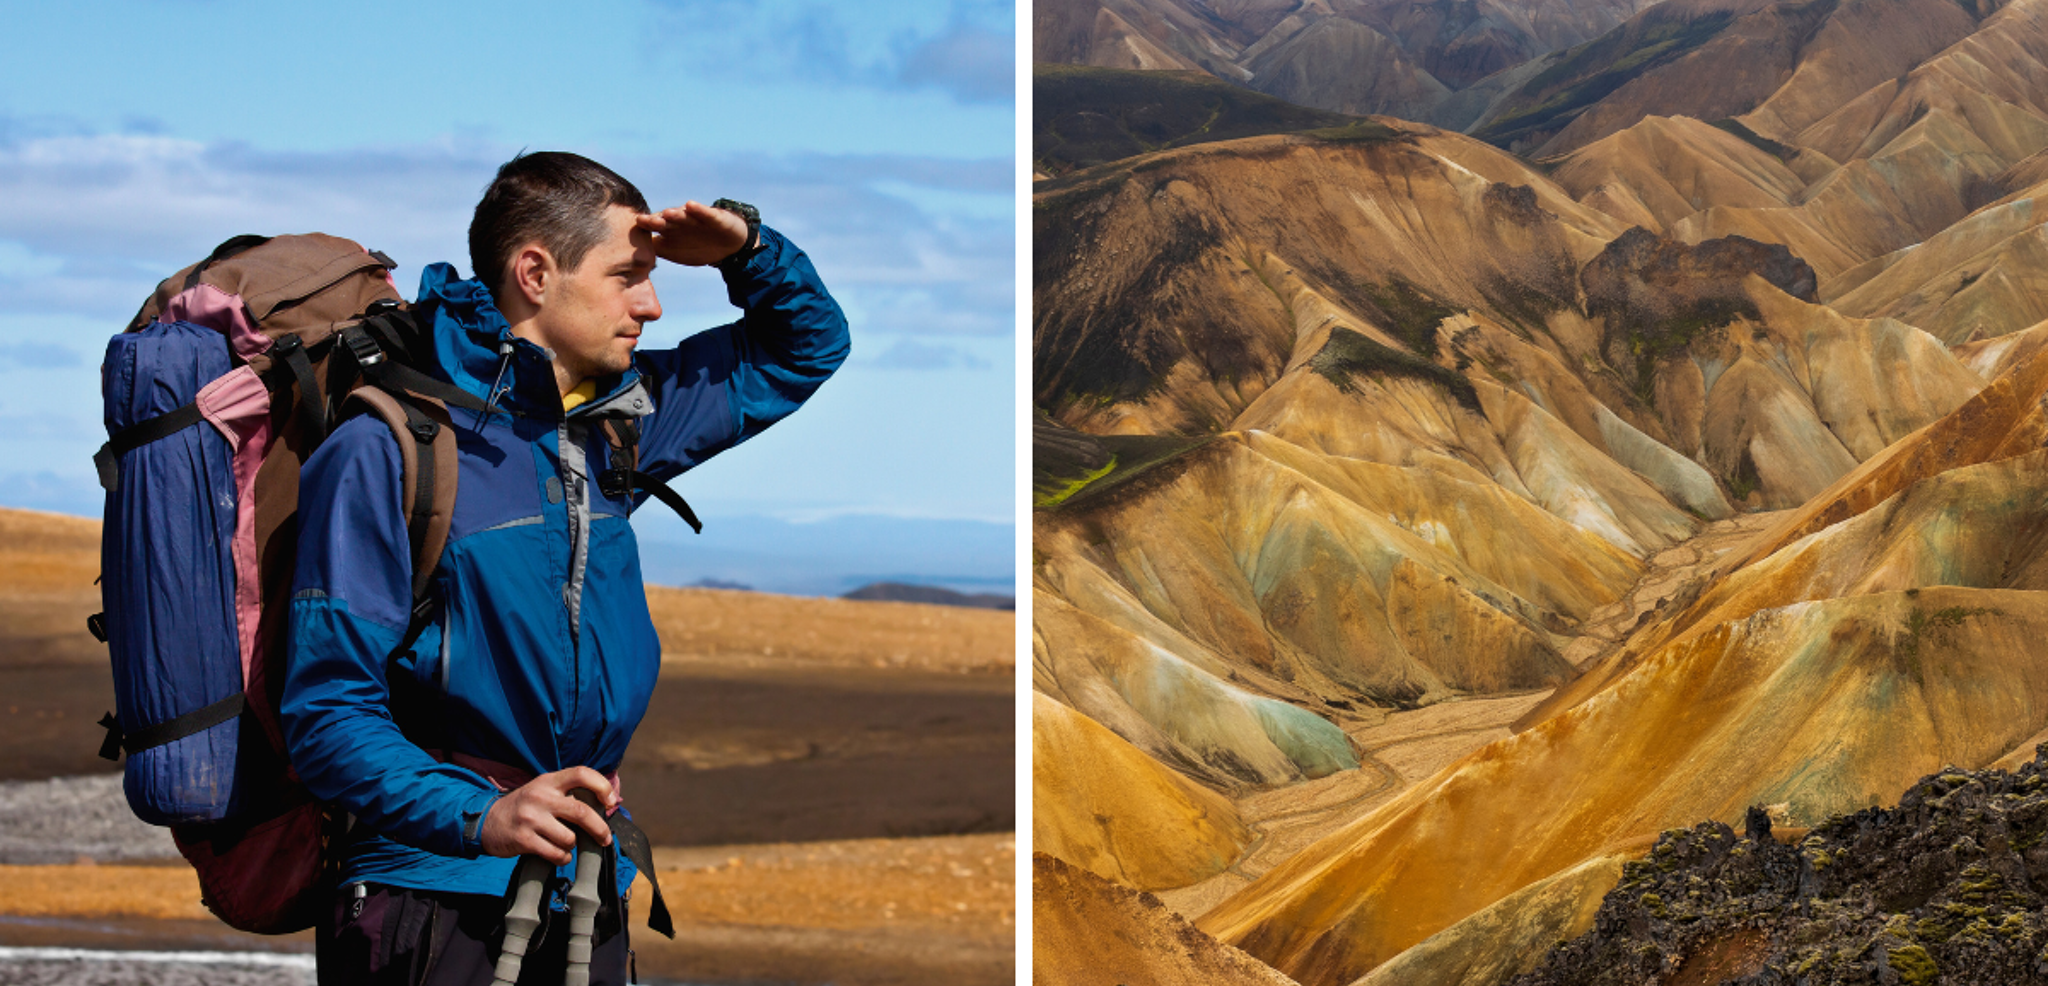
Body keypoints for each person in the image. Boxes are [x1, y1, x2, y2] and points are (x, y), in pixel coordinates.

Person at [281, 151, 849, 984]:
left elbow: (803, 348)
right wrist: (481, 815)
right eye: (629, 276)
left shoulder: (616, 422)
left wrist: (747, 249)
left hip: (583, 890)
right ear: (536, 273)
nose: (651, 306)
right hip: (430, 902)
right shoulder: (389, 448)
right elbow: (328, 712)